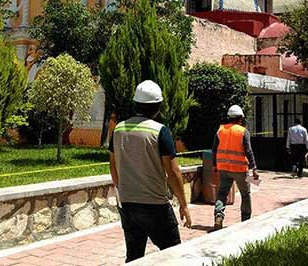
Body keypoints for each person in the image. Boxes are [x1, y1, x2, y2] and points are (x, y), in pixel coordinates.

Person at [109, 80, 192, 263]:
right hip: (155, 205)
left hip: (128, 204)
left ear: (135, 103)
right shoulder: (160, 131)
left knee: (134, 257)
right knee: (173, 255)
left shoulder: (119, 129)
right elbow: (173, 172)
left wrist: (121, 189)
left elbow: (113, 165)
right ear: (158, 106)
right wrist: (184, 204)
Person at [212, 105, 259, 230]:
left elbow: (214, 150)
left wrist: (214, 165)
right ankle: (246, 220)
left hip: (224, 168)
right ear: (240, 118)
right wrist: (254, 167)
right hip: (240, 170)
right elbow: (248, 151)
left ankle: (218, 217)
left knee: (222, 194)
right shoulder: (243, 131)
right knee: (245, 194)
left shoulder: (220, 130)